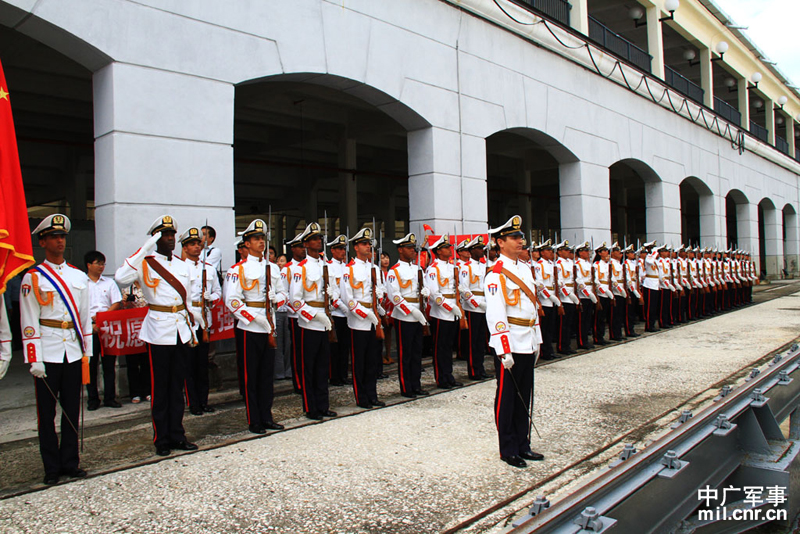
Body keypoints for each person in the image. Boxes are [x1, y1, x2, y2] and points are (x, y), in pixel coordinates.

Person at [115, 215, 200, 457]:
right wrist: (144, 249)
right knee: (160, 388)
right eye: (165, 235)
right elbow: (121, 278)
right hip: (158, 331)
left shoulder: (183, 265)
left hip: (180, 331)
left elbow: (188, 299)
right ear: (155, 238)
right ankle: (161, 438)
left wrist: (193, 321)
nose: (171, 239)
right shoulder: (144, 262)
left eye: (173, 234)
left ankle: (177, 434)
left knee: (176, 387)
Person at [20, 214, 91, 484]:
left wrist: (88, 352)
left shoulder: (78, 276)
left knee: (72, 410)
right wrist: (33, 358)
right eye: (53, 237)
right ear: (42, 241)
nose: (59, 241)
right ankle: (51, 466)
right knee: (46, 414)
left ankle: (70, 462)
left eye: (62, 236)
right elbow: (28, 321)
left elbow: (84, 319)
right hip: (47, 353)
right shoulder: (33, 277)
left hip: (72, 351)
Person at [484, 215, 544, 468]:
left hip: (528, 339)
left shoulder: (524, 268)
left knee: (525, 396)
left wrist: (538, 338)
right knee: (507, 397)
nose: (521, 241)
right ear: (500, 242)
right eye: (515, 237)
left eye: (521, 236)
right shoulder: (496, 274)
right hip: (511, 342)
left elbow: (532, 306)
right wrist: (503, 348)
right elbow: (496, 313)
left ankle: (523, 444)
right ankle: (507, 448)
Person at [225, 219, 286, 434]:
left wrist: (276, 299)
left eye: (263, 238)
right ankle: (254, 420)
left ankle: (267, 416)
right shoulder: (238, 269)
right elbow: (232, 300)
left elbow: (283, 294)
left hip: (269, 325)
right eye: (256, 239)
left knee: (266, 376)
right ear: (247, 244)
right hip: (249, 327)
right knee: (251, 376)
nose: (260, 242)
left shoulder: (273, 268)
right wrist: (255, 318)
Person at [291, 222, 338, 420]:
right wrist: (313, 314)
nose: (319, 242)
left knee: (322, 365)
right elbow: (295, 300)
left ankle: (323, 404)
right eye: (314, 239)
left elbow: (334, 290)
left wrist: (333, 300)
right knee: (308, 366)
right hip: (309, 322)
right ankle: (311, 407)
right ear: (306, 244)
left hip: (325, 319)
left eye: (319, 239)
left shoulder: (326, 265)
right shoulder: (301, 268)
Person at [340, 227, 385, 409]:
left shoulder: (374, 268)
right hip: (359, 320)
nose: (368, 247)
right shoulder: (348, 269)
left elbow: (380, 290)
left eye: (369, 244)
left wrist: (378, 303)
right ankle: (362, 397)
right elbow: (347, 298)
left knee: (373, 359)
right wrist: (364, 313)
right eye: (364, 244)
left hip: (374, 318)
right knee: (360, 361)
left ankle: (372, 394)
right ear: (356, 247)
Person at [180, 227, 222, 416]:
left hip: (205, 318)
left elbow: (218, 292)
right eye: (192, 244)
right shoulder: (180, 268)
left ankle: (204, 400)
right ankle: (193, 402)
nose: (197, 247)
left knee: (202, 363)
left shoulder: (210, 268)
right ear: (185, 247)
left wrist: (211, 297)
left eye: (198, 243)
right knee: (189, 364)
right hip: (188, 319)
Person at [386, 233, 430, 398]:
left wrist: (426, 295)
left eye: (414, 248)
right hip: (404, 316)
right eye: (410, 248)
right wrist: (411, 310)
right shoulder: (394, 271)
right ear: (400, 249)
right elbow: (394, 296)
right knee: (406, 354)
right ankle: (406, 387)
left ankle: (416, 384)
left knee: (417, 352)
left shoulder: (418, 269)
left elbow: (424, 289)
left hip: (418, 314)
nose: (413, 251)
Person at [85, 250, 123, 410]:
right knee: (91, 365)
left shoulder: (109, 283)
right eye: (98, 263)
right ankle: (93, 399)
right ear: (89, 265)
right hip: (89, 327)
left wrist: (102, 317)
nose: (101, 266)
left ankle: (110, 397)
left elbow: (117, 302)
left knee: (109, 365)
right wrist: (92, 320)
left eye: (103, 263)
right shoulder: (81, 283)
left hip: (107, 327)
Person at [424, 233, 463, 389]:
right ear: (439, 251)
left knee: (449, 346)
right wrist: (449, 306)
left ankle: (449, 375)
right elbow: (434, 294)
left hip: (453, 312)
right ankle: (441, 378)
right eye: (447, 248)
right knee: (440, 347)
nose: (450, 250)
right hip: (441, 312)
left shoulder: (453, 267)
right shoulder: (433, 269)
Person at [460, 235, 490, 376]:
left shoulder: (485, 266)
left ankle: (480, 368)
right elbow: (465, 290)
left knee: (480, 340)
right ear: (471, 251)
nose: (481, 250)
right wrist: (477, 303)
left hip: (485, 305)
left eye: (482, 248)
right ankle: (473, 371)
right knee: (473, 341)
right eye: (478, 248)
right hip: (473, 307)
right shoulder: (466, 268)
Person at [120, 281, 151, 403]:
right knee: (132, 362)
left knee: (147, 361)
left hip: (148, 326)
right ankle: (135, 393)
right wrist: (126, 302)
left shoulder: (149, 285)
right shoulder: (126, 289)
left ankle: (148, 390)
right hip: (132, 329)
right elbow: (122, 308)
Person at [326, 235, 351, 386]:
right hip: (336, 311)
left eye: (344, 249)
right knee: (334, 346)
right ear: (332, 250)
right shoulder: (328, 267)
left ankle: (343, 374)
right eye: (340, 249)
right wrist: (340, 305)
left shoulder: (347, 267)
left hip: (348, 312)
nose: (343, 252)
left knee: (344, 346)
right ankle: (334, 376)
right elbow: (331, 290)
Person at [533, 240, 563, 361]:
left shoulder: (552, 264)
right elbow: (539, 283)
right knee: (544, 328)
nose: (551, 253)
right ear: (542, 252)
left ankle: (549, 350)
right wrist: (549, 296)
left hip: (552, 298)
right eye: (548, 250)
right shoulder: (538, 265)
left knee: (551, 327)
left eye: (551, 250)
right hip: (545, 299)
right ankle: (545, 351)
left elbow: (556, 281)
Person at [554, 241, 578, 355]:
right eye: (565, 250)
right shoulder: (558, 264)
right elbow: (559, 282)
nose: (568, 252)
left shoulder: (570, 263)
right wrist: (568, 294)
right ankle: (562, 346)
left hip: (572, 294)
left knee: (569, 323)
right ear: (559, 252)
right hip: (565, 296)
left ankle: (567, 345)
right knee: (563, 325)